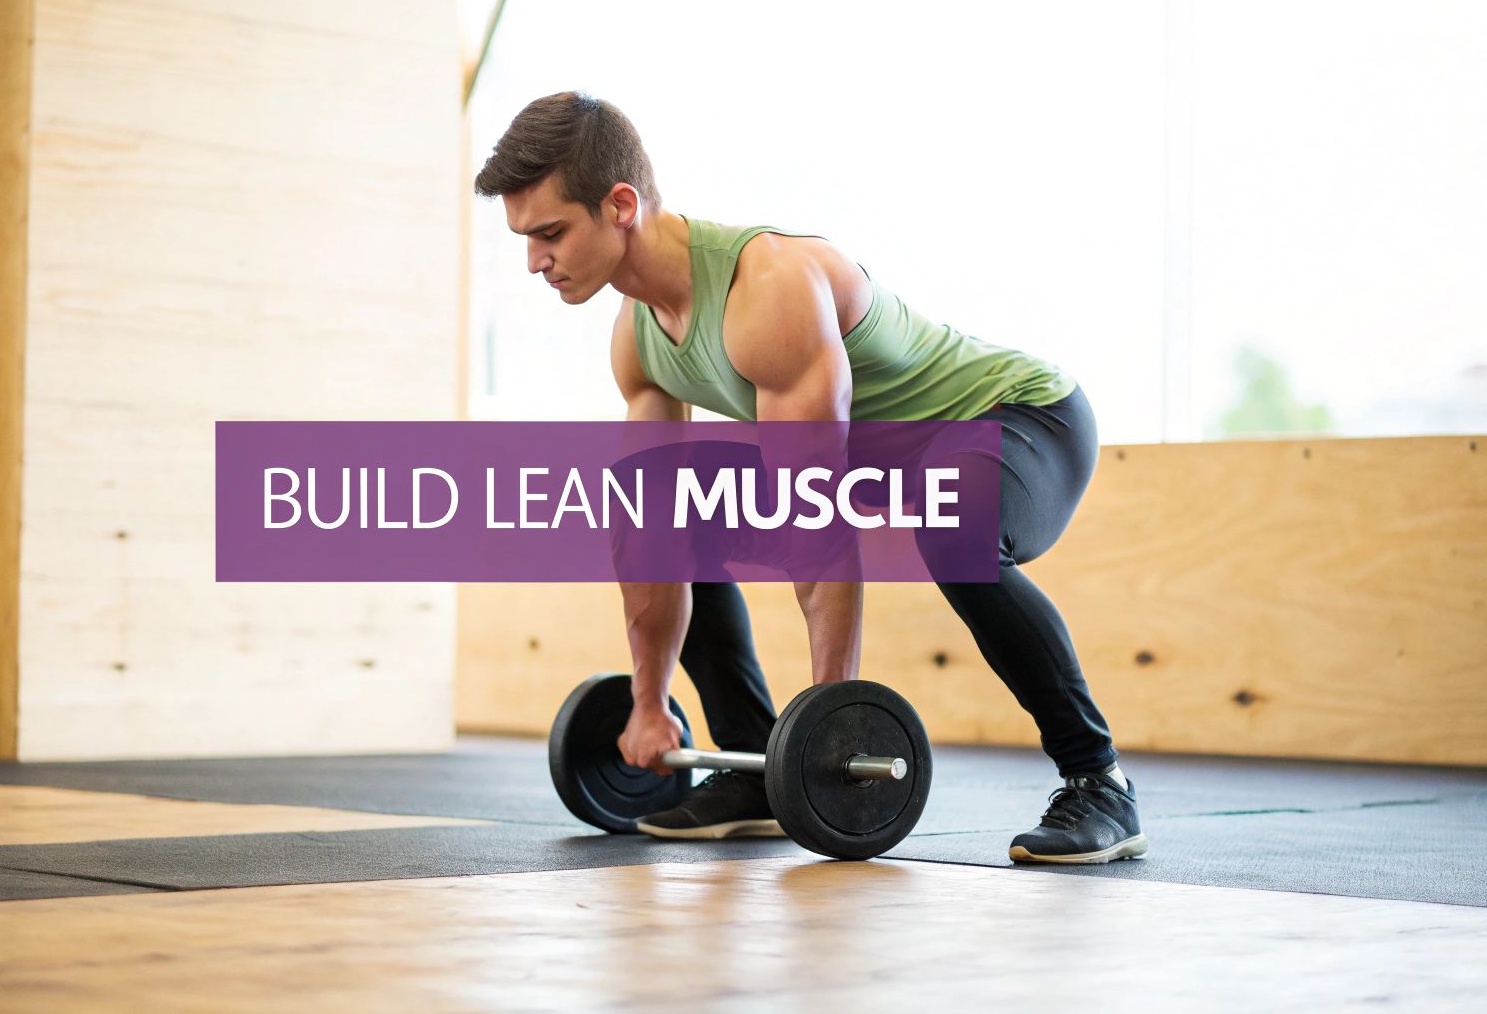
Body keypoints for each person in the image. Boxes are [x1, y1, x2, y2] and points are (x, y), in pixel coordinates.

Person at [474, 92, 1145, 864]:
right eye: (524, 239)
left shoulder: (769, 289)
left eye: (550, 233)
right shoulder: (637, 339)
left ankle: (1101, 781)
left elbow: (815, 525)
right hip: (889, 462)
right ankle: (751, 761)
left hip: (1017, 419)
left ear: (621, 204)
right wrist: (648, 702)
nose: (534, 261)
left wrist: (832, 729)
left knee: (953, 523)